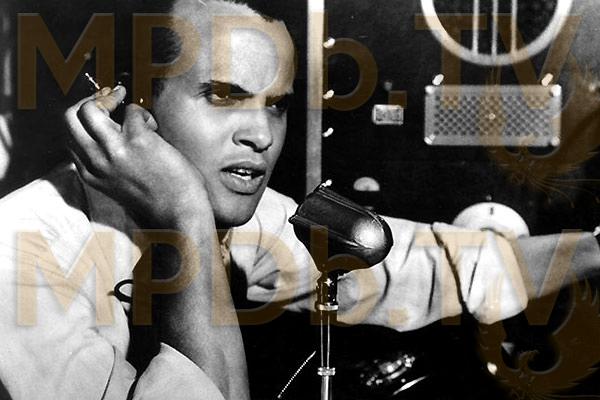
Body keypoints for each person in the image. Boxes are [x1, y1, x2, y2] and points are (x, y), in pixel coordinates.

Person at [0, 0, 598, 399]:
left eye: (276, 106)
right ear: (130, 105)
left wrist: (593, 249)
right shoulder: (20, 257)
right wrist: (184, 219)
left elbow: (427, 267)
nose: (260, 135)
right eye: (223, 96)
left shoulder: (243, 218)